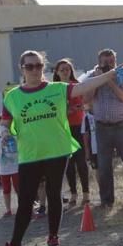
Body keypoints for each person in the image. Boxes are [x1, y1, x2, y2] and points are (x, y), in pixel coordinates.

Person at [0, 50, 118, 246]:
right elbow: (4, 123)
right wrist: (4, 134)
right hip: (29, 154)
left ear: (44, 68)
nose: (34, 70)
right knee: (25, 200)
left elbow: (83, 87)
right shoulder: (12, 96)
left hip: (57, 151)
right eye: (29, 66)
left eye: (38, 66)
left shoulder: (57, 89)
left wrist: (109, 74)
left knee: (54, 194)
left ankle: (53, 239)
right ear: (21, 69)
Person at [86, 49, 123, 208]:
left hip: (121, 124)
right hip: (102, 126)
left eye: (112, 62)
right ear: (99, 62)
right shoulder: (93, 76)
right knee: (104, 165)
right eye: (105, 62)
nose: (109, 65)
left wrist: (109, 80)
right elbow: (87, 99)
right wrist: (97, 79)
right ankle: (106, 200)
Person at [53, 58, 90, 205]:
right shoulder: (54, 89)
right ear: (57, 72)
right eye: (62, 70)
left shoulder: (77, 86)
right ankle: (74, 193)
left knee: (81, 161)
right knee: (68, 164)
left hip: (78, 127)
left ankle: (86, 193)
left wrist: (82, 107)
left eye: (67, 69)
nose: (65, 72)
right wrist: (66, 110)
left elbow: (85, 101)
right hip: (63, 129)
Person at [0, 116, 20, 217]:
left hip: (16, 166)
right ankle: (8, 209)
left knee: (18, 188)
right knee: (6, 189)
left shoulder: (16, 135)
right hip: (4, 168)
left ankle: (23, 207)